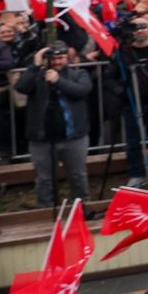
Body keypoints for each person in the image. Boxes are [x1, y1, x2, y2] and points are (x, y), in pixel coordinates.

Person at [15, 43, 94, 208]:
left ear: (67, 58)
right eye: (53, 58)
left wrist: (59, 82)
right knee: (44, 178)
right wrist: (35, 65)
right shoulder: (37, 75)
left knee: (77, 175)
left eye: (61, 58)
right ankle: (46, 208)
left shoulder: (78, 73)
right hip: (42, 137)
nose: (57, 62)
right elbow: (22, 87)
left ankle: (82, 206)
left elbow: (82, 90)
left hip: (73, 136)